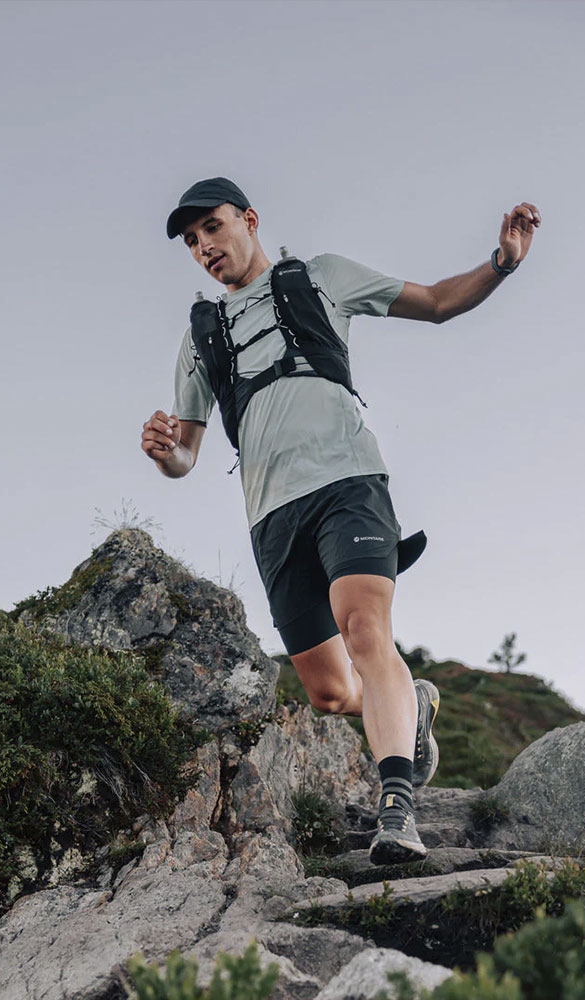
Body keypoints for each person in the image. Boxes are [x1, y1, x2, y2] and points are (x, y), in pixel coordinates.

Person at [141, 177, 541, 864]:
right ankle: (408, 700)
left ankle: (397, 809)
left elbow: (440, 303)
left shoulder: (321, 278)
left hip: (348, 484)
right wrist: (163, 451)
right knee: (328, 692)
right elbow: (186, 454)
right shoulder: (200, 336)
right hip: (272, 517)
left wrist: (501, 263)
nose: (204, 246)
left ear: (248, 220)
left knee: (365, 630)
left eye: (212, 227)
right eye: (191, 240)